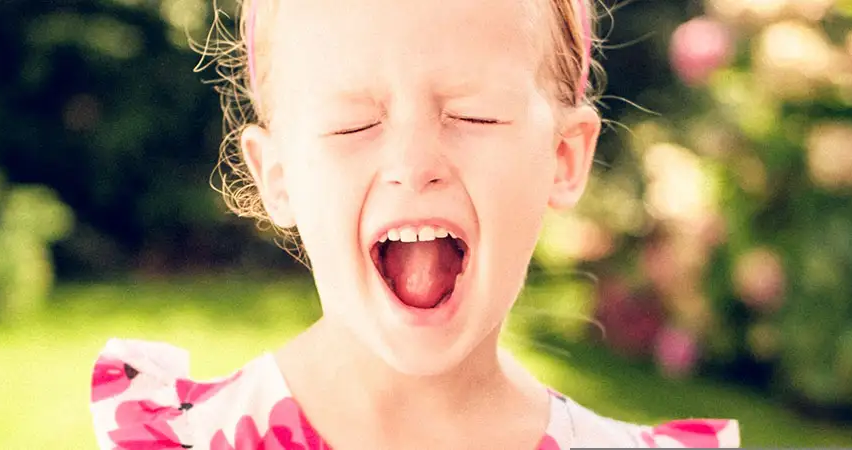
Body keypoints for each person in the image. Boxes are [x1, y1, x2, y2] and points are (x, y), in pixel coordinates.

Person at [91, 0, 741, 448]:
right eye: (353, 124)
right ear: (279, 176)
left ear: (563, 158)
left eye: (475, 115)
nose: (413, 165)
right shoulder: (180, 440)